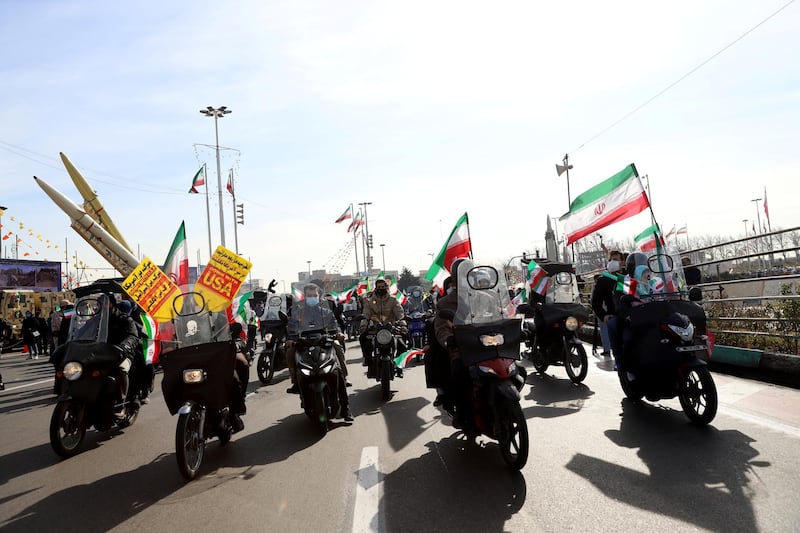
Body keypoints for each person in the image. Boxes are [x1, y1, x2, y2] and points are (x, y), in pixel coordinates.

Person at [284, 284, 352, 421]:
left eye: (314, 295)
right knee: (290, 351)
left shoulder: (325, 312)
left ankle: (346, 407)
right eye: (309, 296)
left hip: (324, 342)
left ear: (318, 296)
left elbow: (334, 325)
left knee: (338, 350)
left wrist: (338, 334)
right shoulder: (298, 312)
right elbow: (291, 328)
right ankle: (295, 380)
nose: (312, 298)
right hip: (304, 344)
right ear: (305, 296)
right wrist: (290, 339)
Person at [432, 263, 476, 433]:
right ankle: (461, 413)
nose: (467, 278)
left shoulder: (485, 296)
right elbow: (441, 327)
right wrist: (448, 340)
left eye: (470, 273)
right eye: (463, 274)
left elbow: (500, 314)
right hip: (462, 347)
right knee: (459, 374)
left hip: (485, 345)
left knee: (515, 370)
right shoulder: (445, 302)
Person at [359, 278, 405, 377]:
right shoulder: (370, 301)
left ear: (386, 287)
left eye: (383, 287)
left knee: (403, 344)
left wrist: (403, 324)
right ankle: (368, 360)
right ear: (376, 288)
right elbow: (366, 314)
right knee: (363, 338)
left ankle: (399, 366)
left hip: (391, 328)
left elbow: (400, 313)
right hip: (376, 328)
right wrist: (363, 325)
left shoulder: (393, 300)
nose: (381, 289)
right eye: (379, 287)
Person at [591, 260, 620, 358]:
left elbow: (595, 301)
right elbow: (596, 301)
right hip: (620, 316)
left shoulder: (603, 281)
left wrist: (603, 315)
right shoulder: (625, 279)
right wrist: (603, 315)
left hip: (615, 315)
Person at [228, 321, 250, 431]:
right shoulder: (186, 315)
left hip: (220, 349)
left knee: (242, 363)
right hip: (198, 354)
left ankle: (237, 408)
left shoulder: (218, 311)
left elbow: (233, 323)